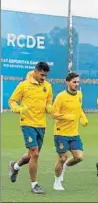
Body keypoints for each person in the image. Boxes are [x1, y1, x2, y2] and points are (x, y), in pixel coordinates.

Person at [8, 62, 53, 194]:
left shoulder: (48, 86)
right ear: (35, 71)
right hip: (27, 123)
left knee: (31, 155)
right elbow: (12, 101)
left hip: (41, 124)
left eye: (46, 76)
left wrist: (50, 108)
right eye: (42, 75)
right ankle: (34, 185)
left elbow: (49, 102)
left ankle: (15, 166)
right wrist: (19, 109)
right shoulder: (23, 85)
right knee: (35, 153)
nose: (44, 78)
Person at [51, 72, 88, 190]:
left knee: (79, 157)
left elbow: (79, 109)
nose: (76, 84)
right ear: (67, 82)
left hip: (74, 133)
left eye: (78, 82)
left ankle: (64, 167)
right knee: (62, 158)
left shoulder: (79, 95)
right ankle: (57, 182)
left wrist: (83, 118)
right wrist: (66, 117)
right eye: (74, 82)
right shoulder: (61, 97)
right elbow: (53, 114)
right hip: (61, 133)